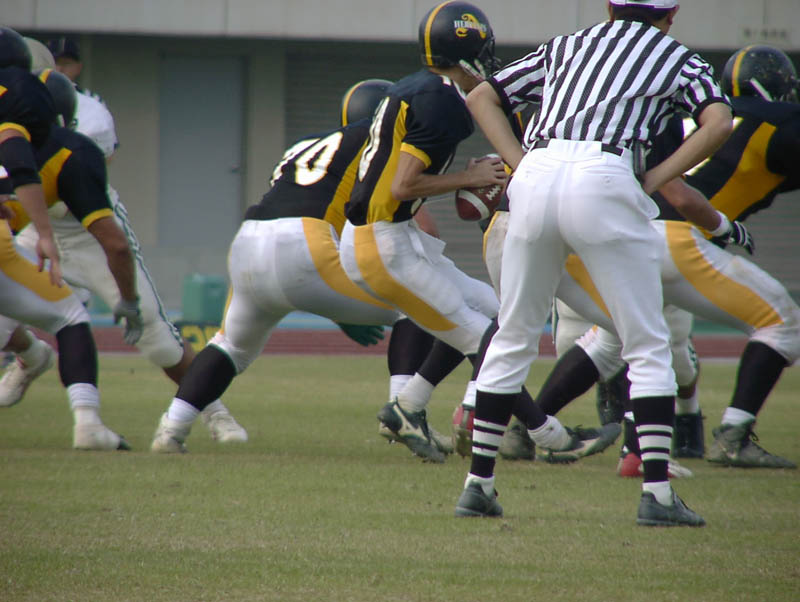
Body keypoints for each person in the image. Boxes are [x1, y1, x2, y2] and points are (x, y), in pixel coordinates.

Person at [456, 0, 733, 526]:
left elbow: (481, 96)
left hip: (537, 175)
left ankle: (478, 485)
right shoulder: (677, 56)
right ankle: (658, 495)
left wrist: (520, 163)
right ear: (671, 15)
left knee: (514, 332)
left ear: (610, 6)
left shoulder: (569, 44)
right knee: (646, 342)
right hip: (607, 174)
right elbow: (718, 122)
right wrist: (655, 178)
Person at [567, 44, 800, 469]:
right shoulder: (780, 122)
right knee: (783, 324)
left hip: (631, 232)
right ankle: (733, 435)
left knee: (614, 339)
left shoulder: (697, 115)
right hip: (681, 238)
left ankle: (532, 425)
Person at [2, 47, 247, 443]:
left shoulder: (86, 123)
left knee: (155, 335)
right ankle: (31, 357)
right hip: (36, 225)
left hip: (88, 227)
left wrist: (128, 298)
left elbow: (91, 200)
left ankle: (213, 410)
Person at [149, 79, 409, 452]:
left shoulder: (306, 146)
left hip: (249, 239)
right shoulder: (375, 143)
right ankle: (404, 416)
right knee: (413, 309)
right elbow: (363, 223)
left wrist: (339, 308)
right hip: (304, 244)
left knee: (230, 346)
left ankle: (172, 429)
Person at [339, 1, 508, 461]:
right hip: (382, 242)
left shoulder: (417, 87)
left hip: (392, 236)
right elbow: (404, 185)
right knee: (487, 340)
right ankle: (542, 431)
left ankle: (408, 407)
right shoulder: (442, 100)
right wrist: (470, 177)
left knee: (496, 314)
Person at [0, 26, 127, 450]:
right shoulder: (23, 95)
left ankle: (32, 357)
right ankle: (87, 423)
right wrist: (45, 233)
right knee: (71, 316)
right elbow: (17, 155)